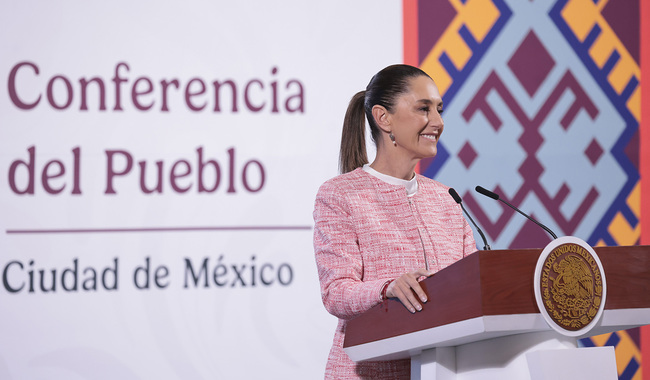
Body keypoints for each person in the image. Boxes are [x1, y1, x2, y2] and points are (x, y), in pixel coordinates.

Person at [313, 64, 478, 379]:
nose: (438, 122)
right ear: (383, 117)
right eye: (423, 109)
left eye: (439, 110)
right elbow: (336, 292)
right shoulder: (339, 195)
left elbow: (473, 286)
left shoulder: (447, 198)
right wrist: (388, 288)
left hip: (445, 370)